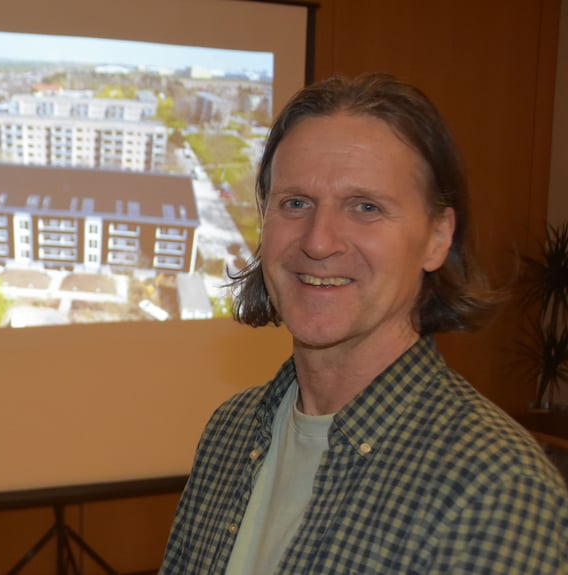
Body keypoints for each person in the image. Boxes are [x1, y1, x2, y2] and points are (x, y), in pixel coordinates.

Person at [159, 73, 568, 574]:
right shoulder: (231, 432)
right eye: (295, 203)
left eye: (366, 207)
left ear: (438, 237)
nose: (319, 240)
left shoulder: (493, 489)